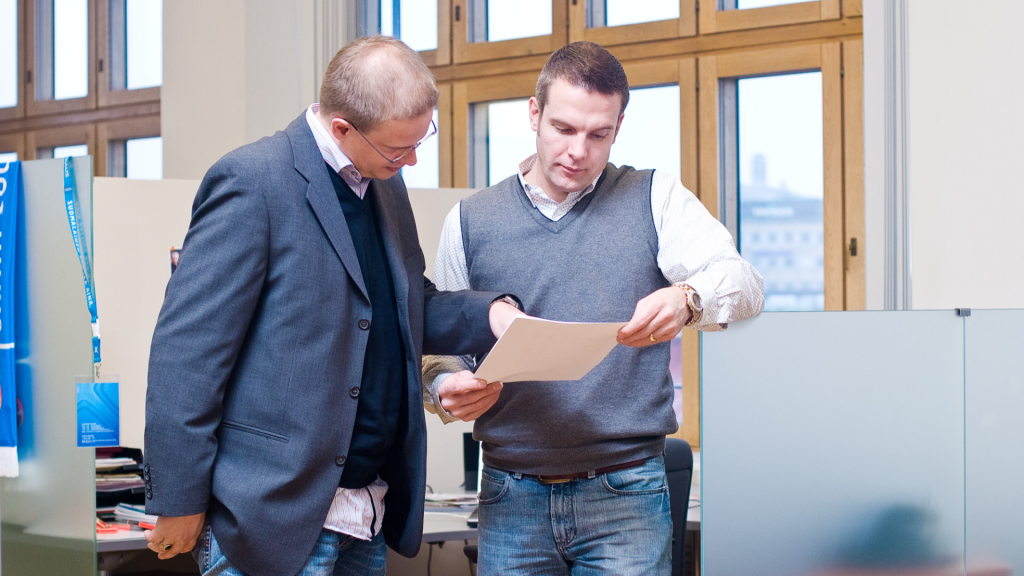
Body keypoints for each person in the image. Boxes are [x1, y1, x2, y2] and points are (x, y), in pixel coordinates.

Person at [143, 36, 521, 576]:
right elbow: (187, 353)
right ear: (342, 128)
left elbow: (404, 303)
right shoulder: (254, 181)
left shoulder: (384, 186)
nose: (412, 160)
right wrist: (180, 499)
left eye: (421, 140)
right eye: (399, 149)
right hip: (272, 519)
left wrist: (492, 315)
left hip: (364, 513)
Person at [423, 41, 764, 575]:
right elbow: (437, 341)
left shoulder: (654, 197)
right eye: (563, 128)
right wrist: (444, 384)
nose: (578, 151)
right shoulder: (470, 221)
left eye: (598, 134)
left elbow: (745, 284)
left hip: (626, 492)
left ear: (618, 127)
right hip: (510, 496)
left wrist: (687, 298)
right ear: (534, 114)